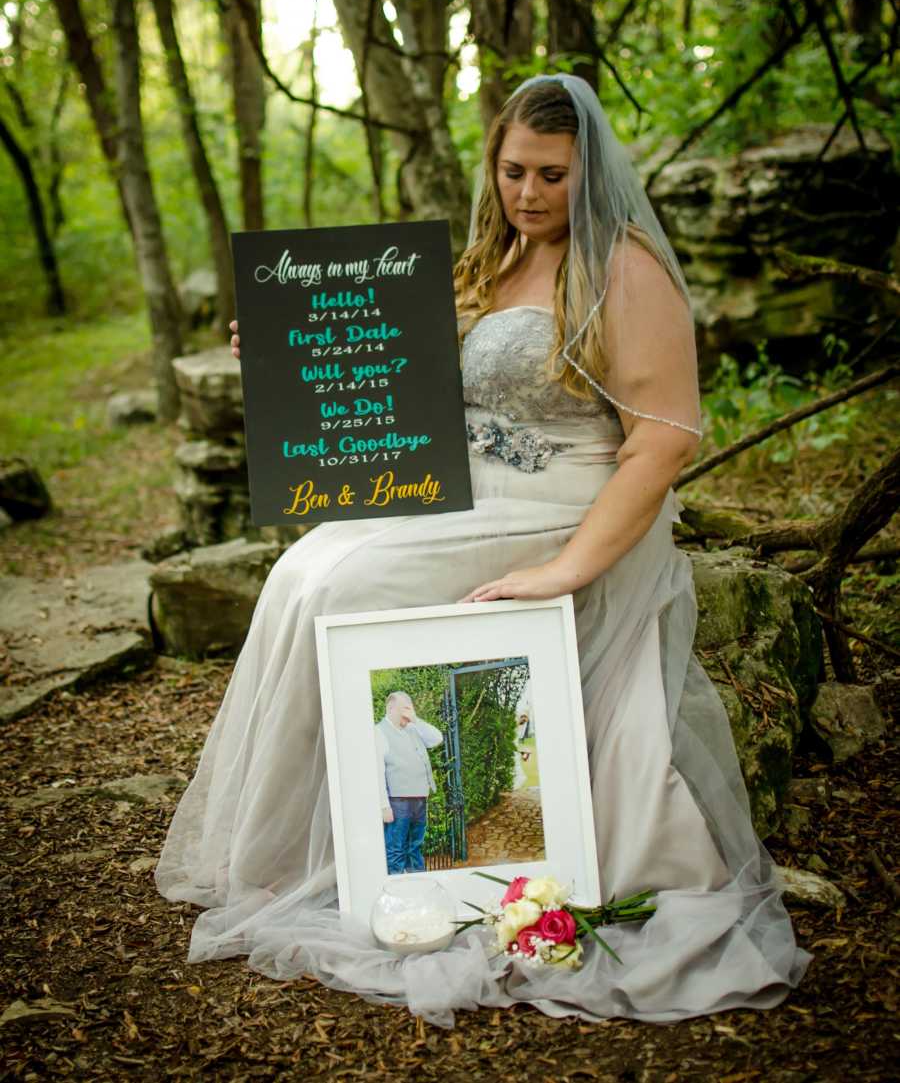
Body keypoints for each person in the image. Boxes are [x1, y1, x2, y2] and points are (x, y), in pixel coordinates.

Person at [156, 73, 810, 1026]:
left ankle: (371, 858)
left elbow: (664, 441)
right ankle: (285, 859)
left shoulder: (627, 270)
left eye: (553, 174)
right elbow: (393, 378)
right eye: (513, 171)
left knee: (348, 579)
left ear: (590, 176)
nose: (530, 193)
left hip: (565, 506)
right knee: (304, 568)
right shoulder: (485, 262)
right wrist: (288, 347)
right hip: (461, 498)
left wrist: (567, 569)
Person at [374, 691, 444, 874]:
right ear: (391, 708)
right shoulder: (378, 732)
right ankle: (396, 890)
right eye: (405, 708)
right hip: (398, 802)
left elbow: (438, 738)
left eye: (411, 708)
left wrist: (416, 719)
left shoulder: (413, 728)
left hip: (420, 798)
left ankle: (419, 886)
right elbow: (377, 772)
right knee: (396, 851)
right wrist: (383, 806)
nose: (409, 713)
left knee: (415, 848)